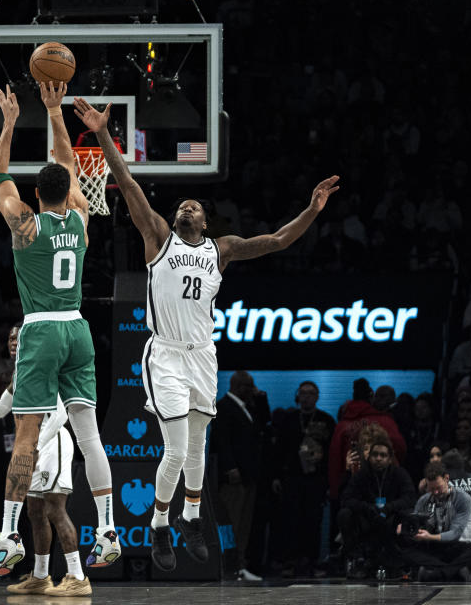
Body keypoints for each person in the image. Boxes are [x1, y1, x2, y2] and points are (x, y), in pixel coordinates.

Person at [73, 96, 340, 572]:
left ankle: (191, 519)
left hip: (203, 355)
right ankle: (160, 525)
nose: (186, 206)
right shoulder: (157, 236)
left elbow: (278, 240)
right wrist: (100, 134)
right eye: (182, 203)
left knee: (197, 447)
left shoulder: (223, 249)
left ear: (205, 220)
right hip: (166, 355)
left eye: (193, 205)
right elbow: (129, 183)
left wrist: (313, 209)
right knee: (174, 447)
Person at [0, 82, 120, 577]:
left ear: (36, 194)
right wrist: (53, 111)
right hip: (78, 327)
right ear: (69, 190)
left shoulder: (25, 223)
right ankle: (107, 531)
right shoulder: (82, 219)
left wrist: (9, 123)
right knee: (90, 437)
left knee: (25, 437)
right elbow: (68, 164)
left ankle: (7, 536)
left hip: (41, 330)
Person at [0, 322, 92, 595]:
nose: (14, 342)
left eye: (20, 337)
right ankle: (40, 576)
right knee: (34, 513)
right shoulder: (20, 373)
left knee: (54, 510)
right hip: (34, 446)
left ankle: (77, 577)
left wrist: (39, 442)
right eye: (11, 338)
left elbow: (62, 414)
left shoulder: (44, 367)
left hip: (53, 443)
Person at [271, 380, 336, 576]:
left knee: (313, 521)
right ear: (298, 396)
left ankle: (312, 561)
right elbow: (278, 451)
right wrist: (276, 476)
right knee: (291, 520)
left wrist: (328, 482)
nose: (306, 397)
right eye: (303, 393)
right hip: (292, 478)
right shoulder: (289, 420)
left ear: (317, 397)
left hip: (315, 479)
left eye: (310, 393)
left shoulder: (326, 420)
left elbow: (331, 455)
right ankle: (290, 561)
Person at [212, 371, 270, 581]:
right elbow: (223, 440)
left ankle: (239, 565)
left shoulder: (248, 409)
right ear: (239, 387)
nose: (253, 391)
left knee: (244, 524)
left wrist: (261, 399)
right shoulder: (225, 407)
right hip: (234, 477)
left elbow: (265, 423)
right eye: (250, 387)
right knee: (231, 522)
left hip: (249, 475)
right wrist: (229, 467)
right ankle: (226, 564)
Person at [337, 436, 416, 578]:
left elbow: (409, 498)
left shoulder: (399, 473)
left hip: (391, 515)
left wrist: (389, 507)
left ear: (390, 458)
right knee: (345, 514)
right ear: (369, 457)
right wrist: (367, 507)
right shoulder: (361, 475)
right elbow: (347, 498)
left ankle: (401, 562)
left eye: (383, 455)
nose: (378, 458)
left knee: (408, 514)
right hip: (367, 516)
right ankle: (358, 560)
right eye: (375, 455)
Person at [398, 461, 471, 581]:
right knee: (405, 552)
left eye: (439, 488)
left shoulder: (463, 498)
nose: (435, 493)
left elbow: (455, 533)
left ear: (446, 478)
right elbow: (415, 526)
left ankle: (438, 573)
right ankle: (455, 571)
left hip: (459, 546)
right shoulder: (424, 500)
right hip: (435, 549)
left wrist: (430, 537)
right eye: (431, 489)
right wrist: (406, 529)